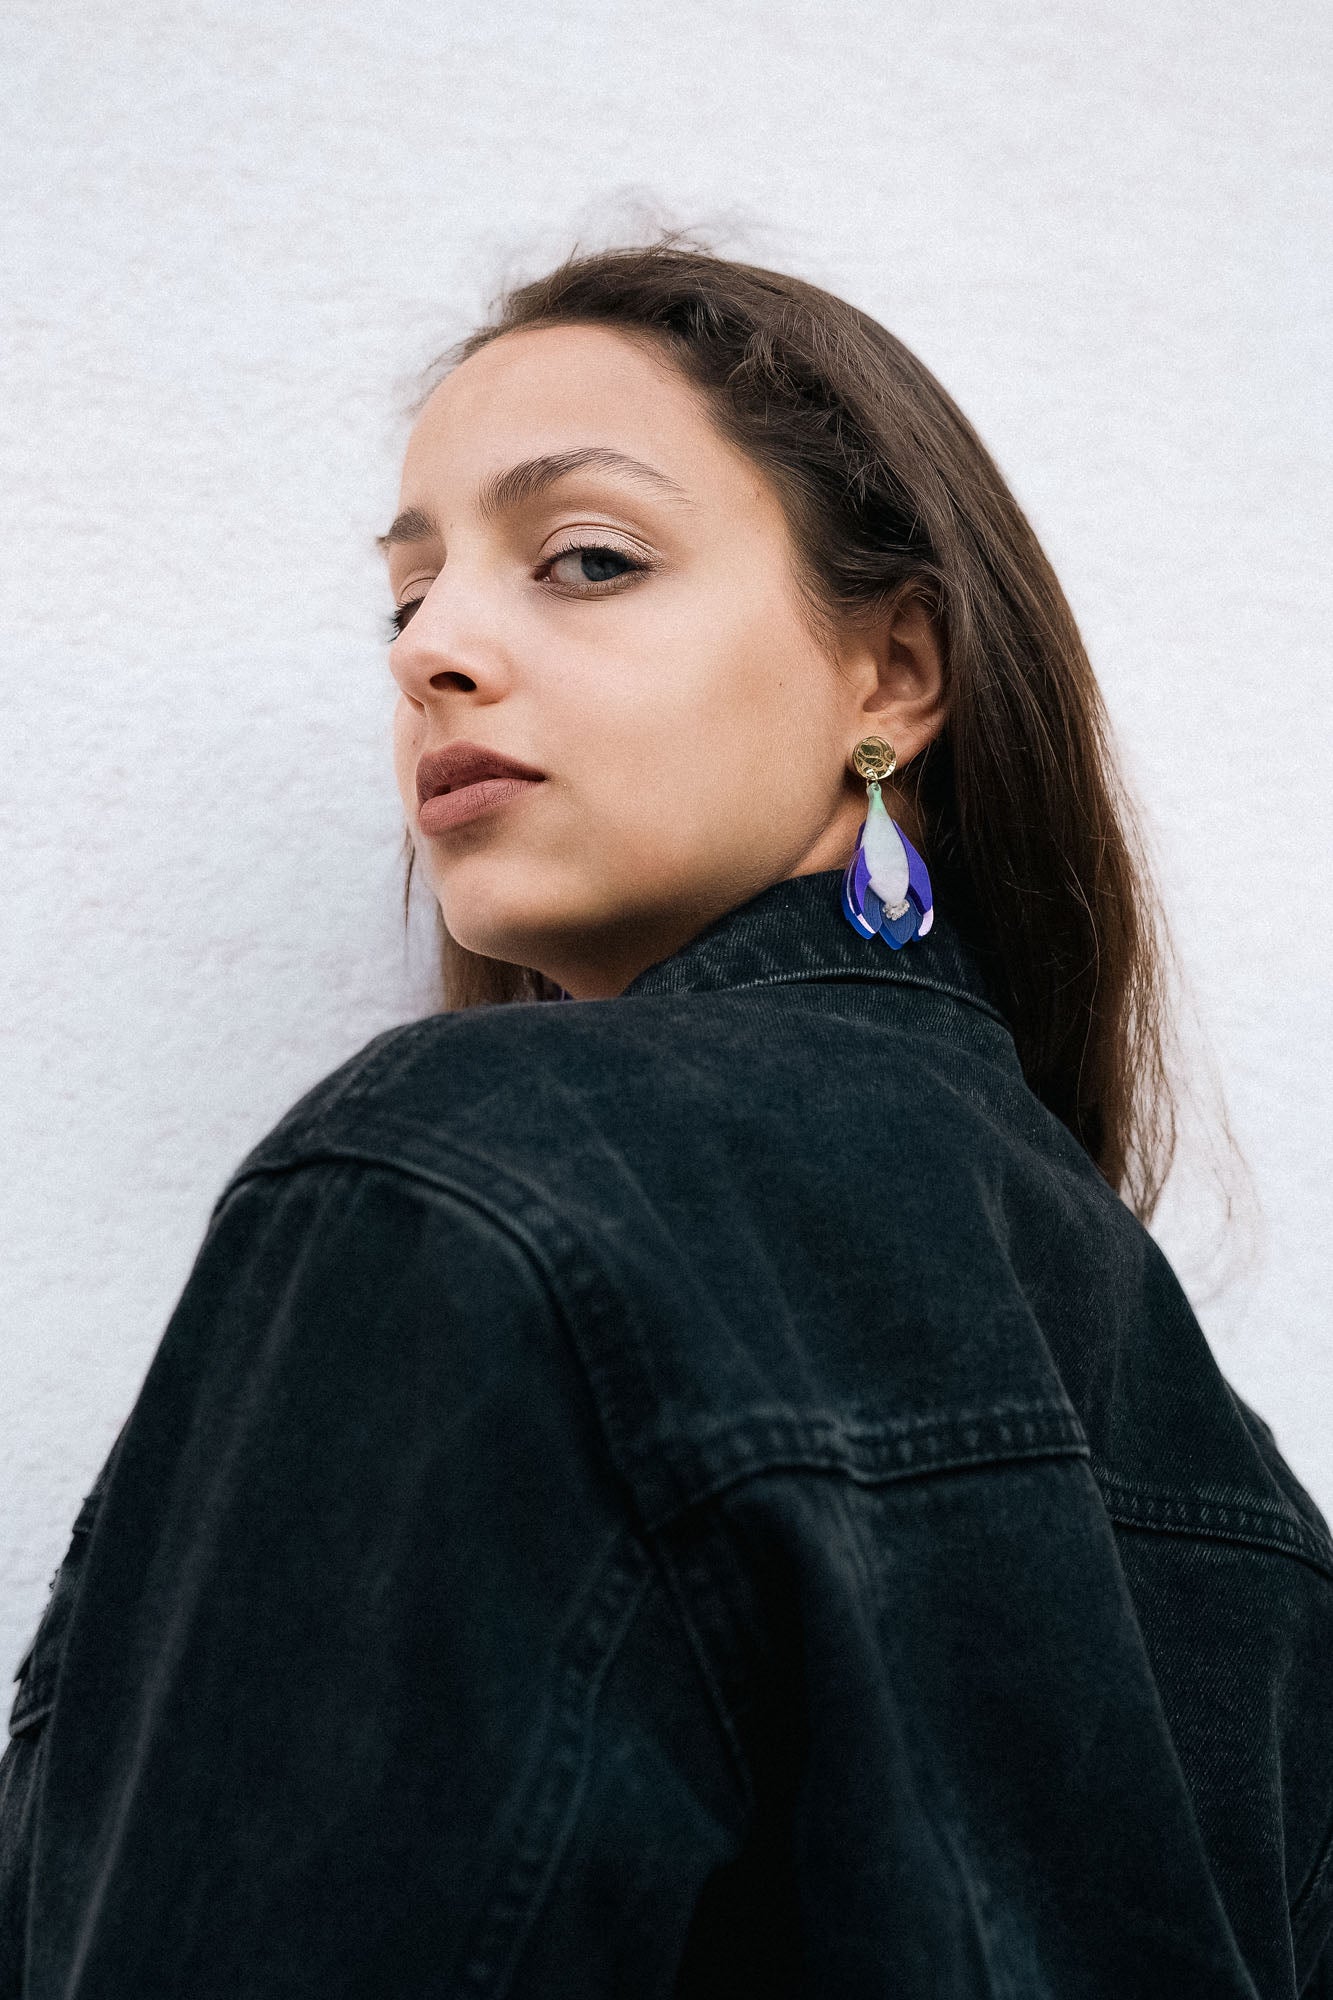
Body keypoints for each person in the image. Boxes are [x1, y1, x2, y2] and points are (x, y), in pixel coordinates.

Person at [2, 238, 1330, 2000]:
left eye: (587, 560)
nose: (436, 653)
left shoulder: (476, 1184)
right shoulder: (1235, 1485)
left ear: (891, 675)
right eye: (405, 601)